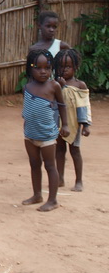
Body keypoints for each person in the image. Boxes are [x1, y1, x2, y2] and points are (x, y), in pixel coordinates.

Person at [21, 48, 68, 211]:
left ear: (52, 69)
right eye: (38, 68)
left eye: (47, 68)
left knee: (50, 166)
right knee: (34, 164)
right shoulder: (27, 87)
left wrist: (66, 125)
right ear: (30, 68)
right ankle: (37, 195)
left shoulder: (54, 86)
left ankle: (53, 200)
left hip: (47, 134)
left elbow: (62, 105)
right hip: (29, 134)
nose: (43, 71)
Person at [53, 49, 91, 192]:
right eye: (61, 66)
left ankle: (79, 180)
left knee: (75, 151)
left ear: (75, 67)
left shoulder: (80, 85)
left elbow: (84, 106)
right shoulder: (54, 84)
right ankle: (60, 178)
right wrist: (60, 86)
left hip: (74, 124)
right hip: (58, 123)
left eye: (68, 66)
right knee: (60, 150)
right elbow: (53, 102)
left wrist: (86, 125)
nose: (64, 70)